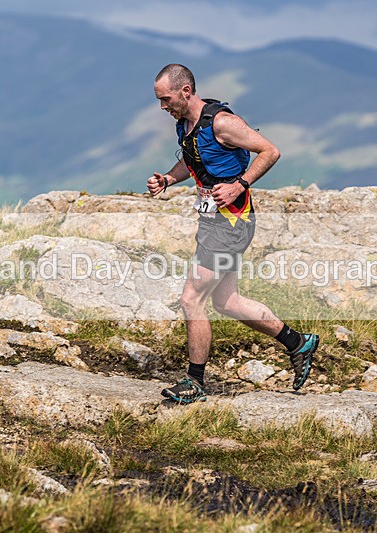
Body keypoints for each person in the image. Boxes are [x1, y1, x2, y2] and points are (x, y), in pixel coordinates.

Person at [147, 63, 319, 404]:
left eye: (166, 99)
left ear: (186, 91)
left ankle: (194, 383)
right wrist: (168, 178)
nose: (163, 107)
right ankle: (299, 343)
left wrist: (240, 184)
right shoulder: (186, 123)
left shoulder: (223, 123)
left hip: (231, 224)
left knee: (191, 299)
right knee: (227, 301)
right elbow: (193, 160)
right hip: (215, 222)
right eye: (159, 101)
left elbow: (270, 150)